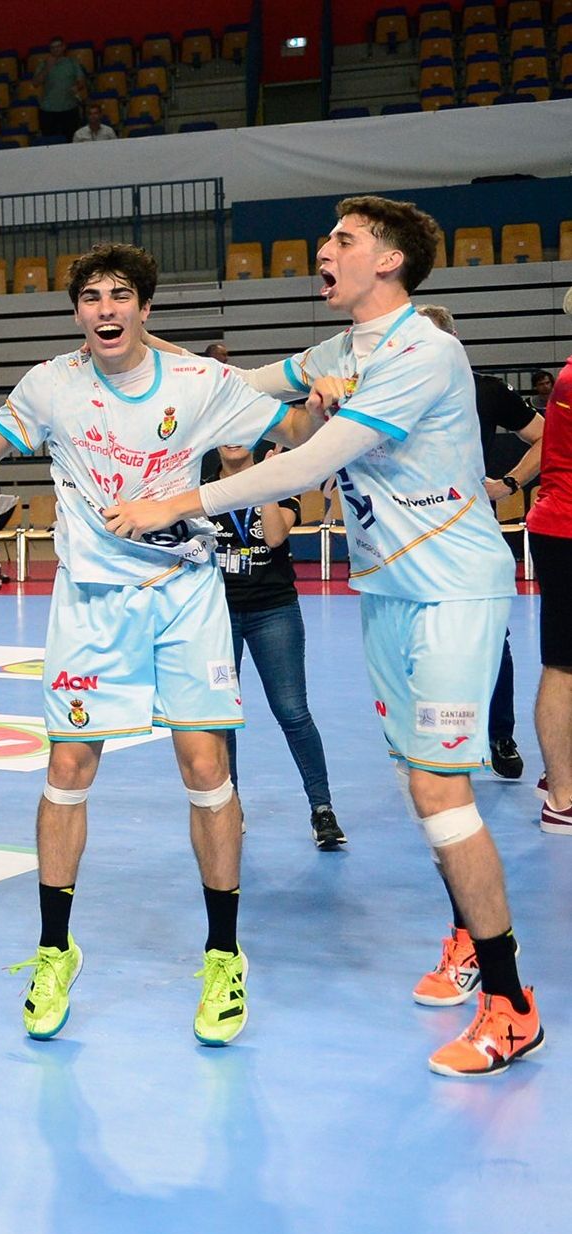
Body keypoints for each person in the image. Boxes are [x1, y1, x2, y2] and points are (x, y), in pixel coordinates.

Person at [105, 196, 542, 1076]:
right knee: (422, 783)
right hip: (385, 588)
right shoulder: (340, 351)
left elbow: (308, 461)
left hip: (452, 586)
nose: (324, 248)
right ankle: (469, 935)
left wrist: (176, 501)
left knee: (439, 787)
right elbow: (237, 384)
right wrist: (137, 351)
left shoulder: (425, 351)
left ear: (389, 260)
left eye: (344, 239)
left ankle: (510, 1005)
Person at [0, 242, 301, 1048]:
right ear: (78, 312)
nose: (105, 308)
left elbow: (304, 429)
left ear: (145, 308)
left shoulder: (199, 383)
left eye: (120, 295)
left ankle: (223, 954)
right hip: (93, 604)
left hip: (184, 592)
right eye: (92, 297)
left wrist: (329, 388)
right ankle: (54, 949)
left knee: (205, 766)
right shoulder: (51, 384)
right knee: (68, 768)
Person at [416, 305, 546, 779]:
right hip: (411, 537)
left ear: (453, 343)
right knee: (420, 638)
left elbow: (546, 436)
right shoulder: (394, 393)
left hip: (471, 532)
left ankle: (499, 735)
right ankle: (434, 740)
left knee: (493, 636)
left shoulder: (485, 390)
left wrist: (510, 483)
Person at [201, 441, 346, 849]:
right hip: (218, 615)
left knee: (293, 712)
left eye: (242, 434)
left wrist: (265, 482)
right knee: (222, 716)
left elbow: (276, 536)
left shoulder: (281, 480)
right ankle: (228, 805)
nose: (234, 441)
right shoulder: (205, 488)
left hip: (274, 610)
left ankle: (322, 808)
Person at [531, 360, 572, 833]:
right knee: (563, 665)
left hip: (559, 526)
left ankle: (560, 770)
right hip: (565, 532)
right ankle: (562, 799)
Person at [36, 38, 88, 142]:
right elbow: (35, 82)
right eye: (53, 47)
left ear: (63, 47)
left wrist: (77, 87)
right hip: (48, 110)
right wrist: (47, 68)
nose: (56, 49)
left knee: (71, 139)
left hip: (69, 108)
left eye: (58, 46)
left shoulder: (72, 63)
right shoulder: (44, 64)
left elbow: (81, 81)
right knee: (50, 141)